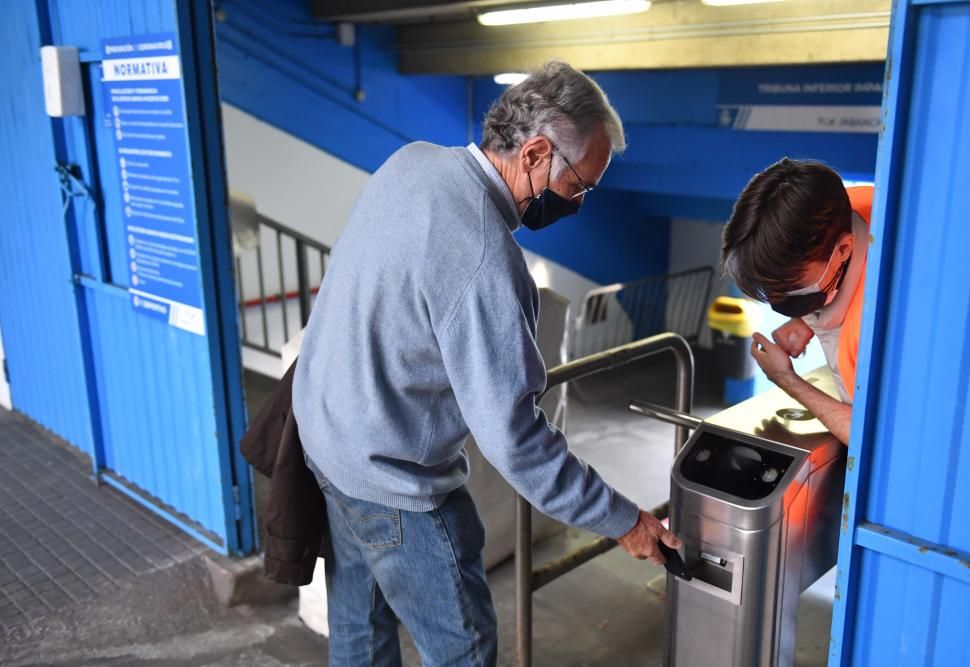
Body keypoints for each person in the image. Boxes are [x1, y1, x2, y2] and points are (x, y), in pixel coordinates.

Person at [292, 61, 680, 667]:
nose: (579, 202)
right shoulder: (485, 261)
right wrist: (623, 521)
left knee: (360, 636)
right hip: (393, 482)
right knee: (465, 652)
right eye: (579, 185)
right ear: (533, 154)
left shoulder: (413, 162)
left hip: (329, 446)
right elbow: (518, 440)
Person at [720, 158, 874, 444]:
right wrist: (805, 318)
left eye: (793, 289)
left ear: (843, 248)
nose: (781, 301)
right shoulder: (849, 205)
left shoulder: (871, 332)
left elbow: (870, 439)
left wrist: (786, 378)